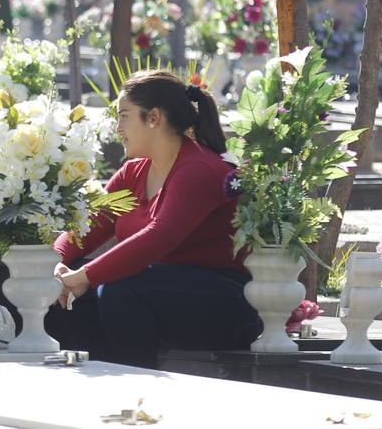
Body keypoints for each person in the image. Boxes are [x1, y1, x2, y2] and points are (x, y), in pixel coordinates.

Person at [44, 70, 261, 367]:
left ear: (154, 118)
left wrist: (82, 277)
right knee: (58, 290)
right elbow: (86, 227)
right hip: (152, 288)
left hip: (222, 301)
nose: (118, 127)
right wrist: (56, 264)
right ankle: (96, 375)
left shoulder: (199, 168)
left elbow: (159, 237)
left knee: (118, 287)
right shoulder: (132, 173)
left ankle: (140, 386)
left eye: (124, 116)